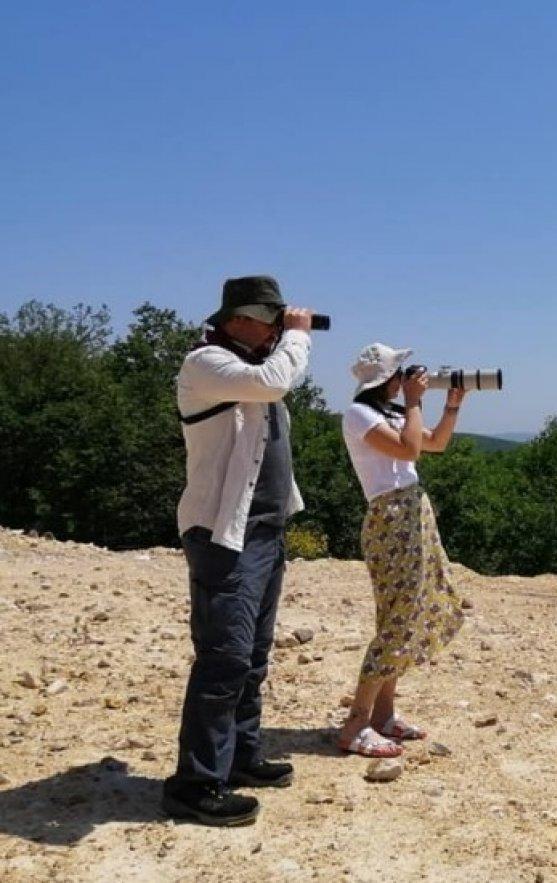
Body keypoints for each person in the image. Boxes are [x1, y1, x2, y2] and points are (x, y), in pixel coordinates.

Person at [162, 276, 315, 826]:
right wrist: (298, 336)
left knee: (253, 654)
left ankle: (241, 755)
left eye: (280, 317)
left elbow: (268, 385)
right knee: (223, 657)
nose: (277, 325)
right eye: (268, 317)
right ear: (236, 319)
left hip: (266, 533)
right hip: (224, 536)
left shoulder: (246, 370)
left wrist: (284, 338)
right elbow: (275, 382)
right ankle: (195, 783)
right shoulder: (206, 363)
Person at [336, 342, 468, 757]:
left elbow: (435, 445)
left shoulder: (392, 413)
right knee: (397, 616)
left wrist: (451, 406)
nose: (406, 379)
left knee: (412, 611)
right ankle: (356, 722)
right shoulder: (359, 414)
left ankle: (383, 715)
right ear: (386, 379)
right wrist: (414, 402)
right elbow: (408, 450)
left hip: (412, 511)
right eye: (400, 373)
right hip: (391, 517)